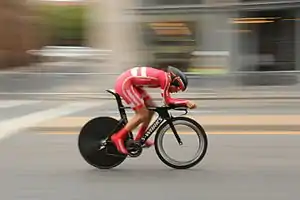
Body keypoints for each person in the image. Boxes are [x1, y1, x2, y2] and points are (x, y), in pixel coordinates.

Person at [111, 66, 197, 154]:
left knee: (151, 109)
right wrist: (186, 102)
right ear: (175, 82)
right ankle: (118, 137)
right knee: (142, 114)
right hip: (125, 83)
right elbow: (167, 101)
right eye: (178, 89)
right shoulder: (165, 79)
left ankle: (140, 138)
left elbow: (167, 100)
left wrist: (182, 103)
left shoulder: (164, 77)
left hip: (132, 84)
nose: (176, 92)